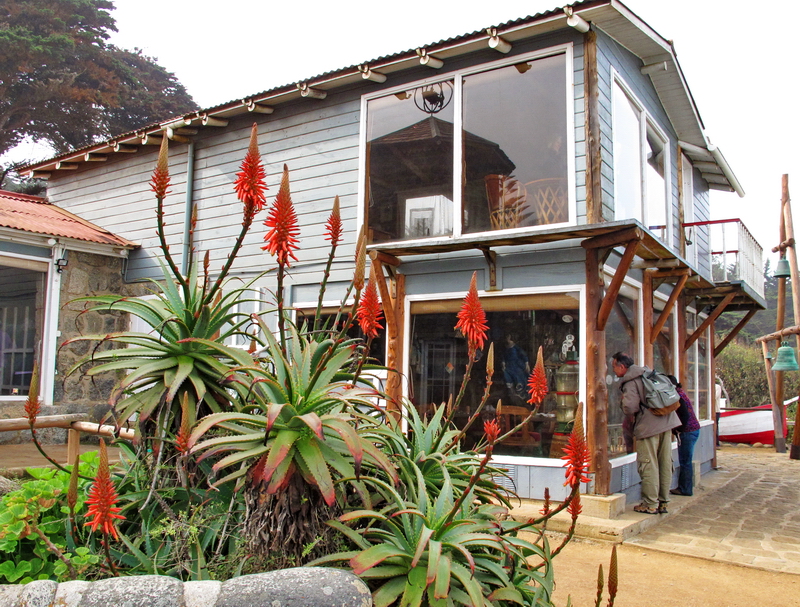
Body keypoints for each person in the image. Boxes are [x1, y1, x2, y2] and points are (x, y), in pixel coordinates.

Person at [611, 352, 680, 515]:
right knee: (664, 462)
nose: (613, 371)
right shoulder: (648, 373)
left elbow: (630, 407)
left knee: (648, 463)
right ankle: (663, 502)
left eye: (614, 367)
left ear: (622, 366)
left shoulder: (630, 381)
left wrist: (622, 407)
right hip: (667, 422)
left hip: (649, 426)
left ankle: (650, 504)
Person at [667, 375, 700, 496]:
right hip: (693, 430)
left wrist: (678, 430)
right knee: (686, 460)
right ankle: (684, 487)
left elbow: (684, 416)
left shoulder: (677, 397)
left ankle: (685, 489)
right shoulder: (681, 393)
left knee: (685, 461)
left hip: (687, 432)